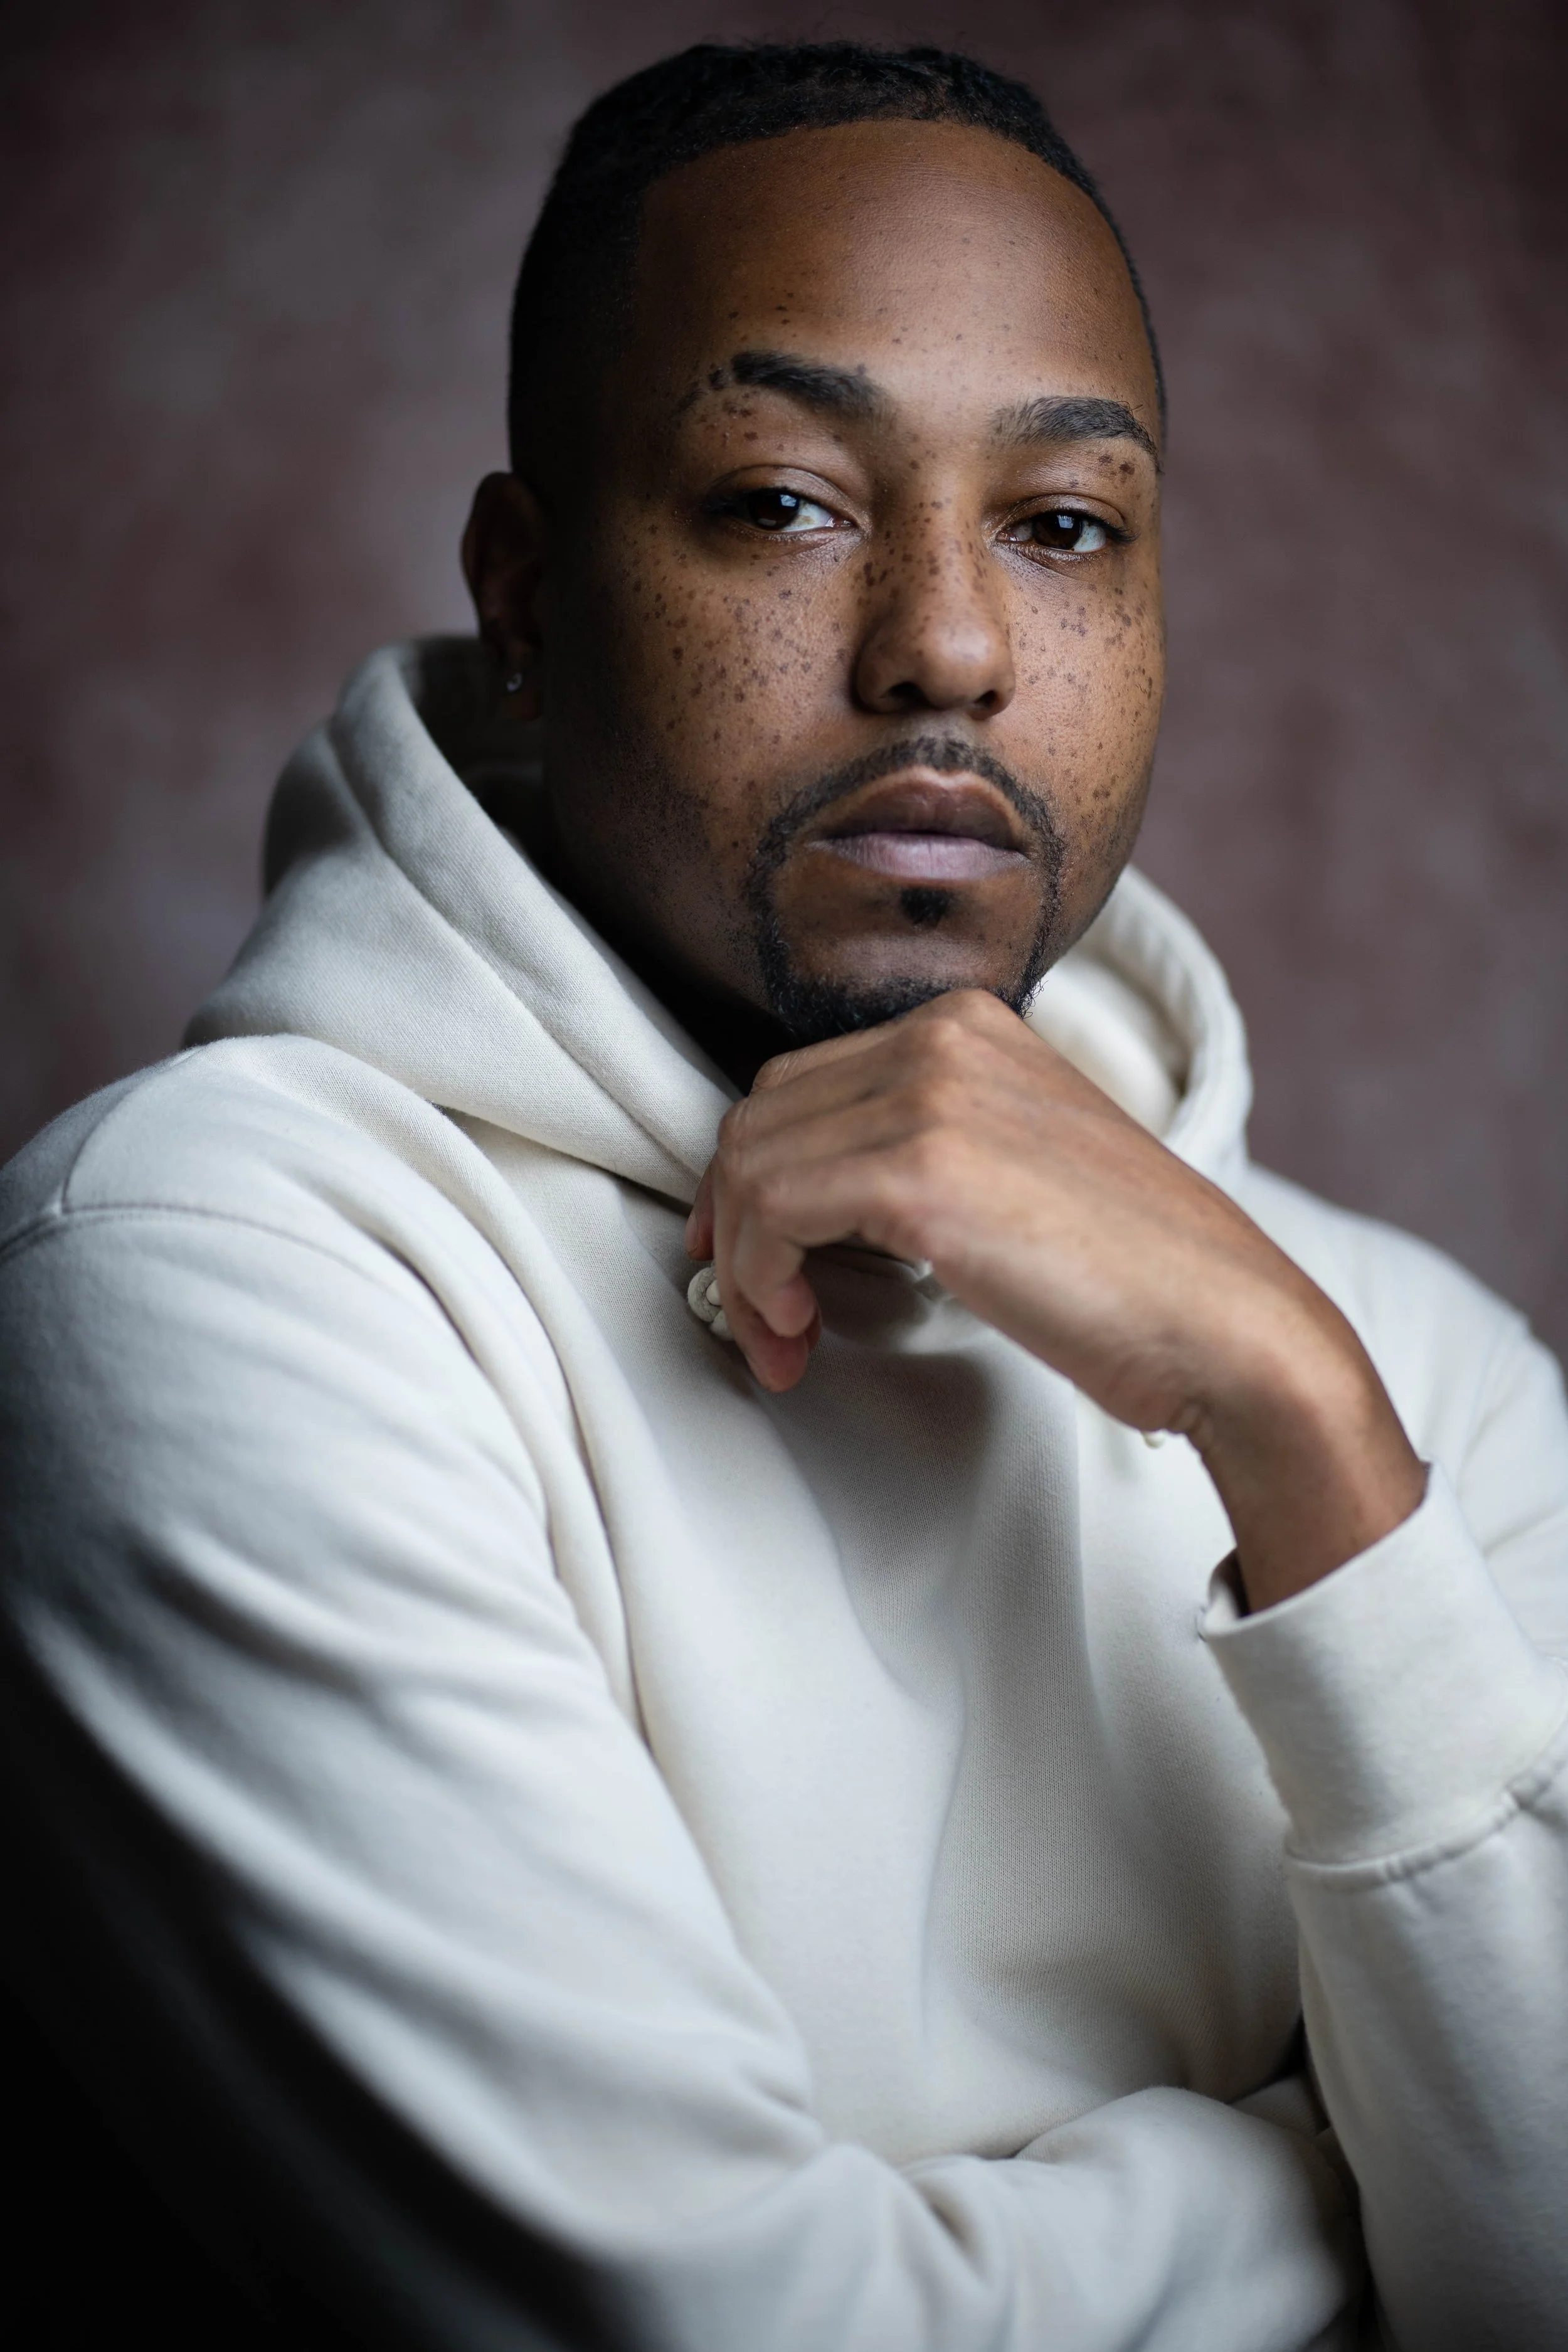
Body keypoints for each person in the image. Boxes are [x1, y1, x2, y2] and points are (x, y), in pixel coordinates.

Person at [1, 40, 1564, 2352]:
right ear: (526, 593)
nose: (947, 644)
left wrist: (1300, 1439)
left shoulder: (1396, 1370)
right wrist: (1351, 2183)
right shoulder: (215, 1275)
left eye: (1064, 526)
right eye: (782, 502)